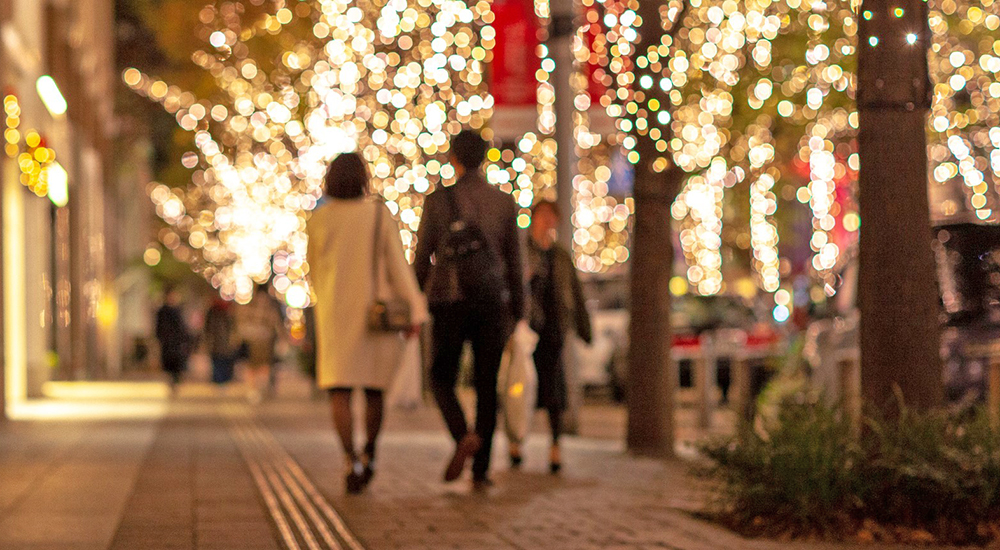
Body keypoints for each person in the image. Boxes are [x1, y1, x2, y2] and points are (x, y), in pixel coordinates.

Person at [306, 152, 428, 494]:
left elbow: (314, 269)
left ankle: (350, 459)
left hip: (334, 314)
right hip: (374, 316)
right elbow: (396, 265)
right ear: (363, 178)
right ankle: (370, 453)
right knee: (374, 390)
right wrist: (415, 310)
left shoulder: (319, 219)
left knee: (339, 391)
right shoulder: (377, 214)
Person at [414, 130, 525, 489]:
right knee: (487, 384)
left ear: (454, 159)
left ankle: (463, 435)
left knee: (440, 376)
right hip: (492, 303)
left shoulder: (438, 201)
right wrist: (519, 311)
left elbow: (422, 257)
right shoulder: (504, 202)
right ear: (485, 157)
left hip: (449, 300)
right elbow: (514, 262)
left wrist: (416, 299)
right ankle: (481, 470)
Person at [509, 200, 592, 473]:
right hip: (527, 329)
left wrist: (583, 328)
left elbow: (574, 292)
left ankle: (555, 445)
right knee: (521, 387)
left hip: (554, 330)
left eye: (551, 217)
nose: (547, 222)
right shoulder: (522, 252)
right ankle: (516, 440)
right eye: (543, 216)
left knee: (553, 388)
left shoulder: (559, 255)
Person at [238, 285, 282, 404]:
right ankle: (258, 389)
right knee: (261, 366)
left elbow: (241, 321)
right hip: (262, 341)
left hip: (255, 340)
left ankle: (255, 390)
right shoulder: (269, 307)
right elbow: (276, 323)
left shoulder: (251, 305)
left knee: (255, 366)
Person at [155, 285, 191, 393]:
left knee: (177, 363)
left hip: (177, 343)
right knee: (169, 364)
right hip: (167, 343)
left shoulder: (179, 310)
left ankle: (176, 381)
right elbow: (159, 327)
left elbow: (183, 327)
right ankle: (172, 381)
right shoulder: (162, 311)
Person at [204, 297, 239, 386]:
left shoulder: (228, 312)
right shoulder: (213, 312)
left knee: (223, 361)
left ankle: (222, 380)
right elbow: (208, 328)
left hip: (224, 343)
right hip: (217, 343)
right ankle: (219, 380)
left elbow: (233, 328)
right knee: (218, 361)